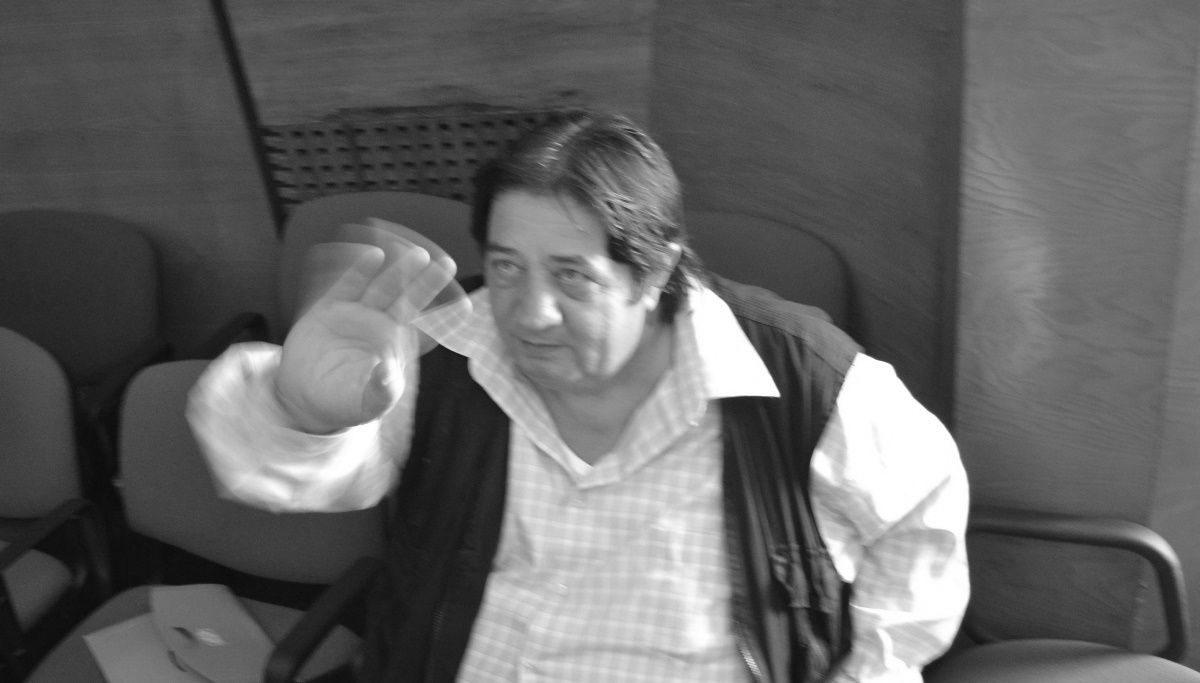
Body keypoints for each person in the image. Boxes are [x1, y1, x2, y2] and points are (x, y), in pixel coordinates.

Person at [188, 110, 969, 682]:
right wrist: (304, 410)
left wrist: (872, 669)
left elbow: (919, 522)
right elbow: (298, 476)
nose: (529, 313)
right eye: (506, 266)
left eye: (571, 276)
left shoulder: (807, 378)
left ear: (656, 272)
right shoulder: (446, 345)